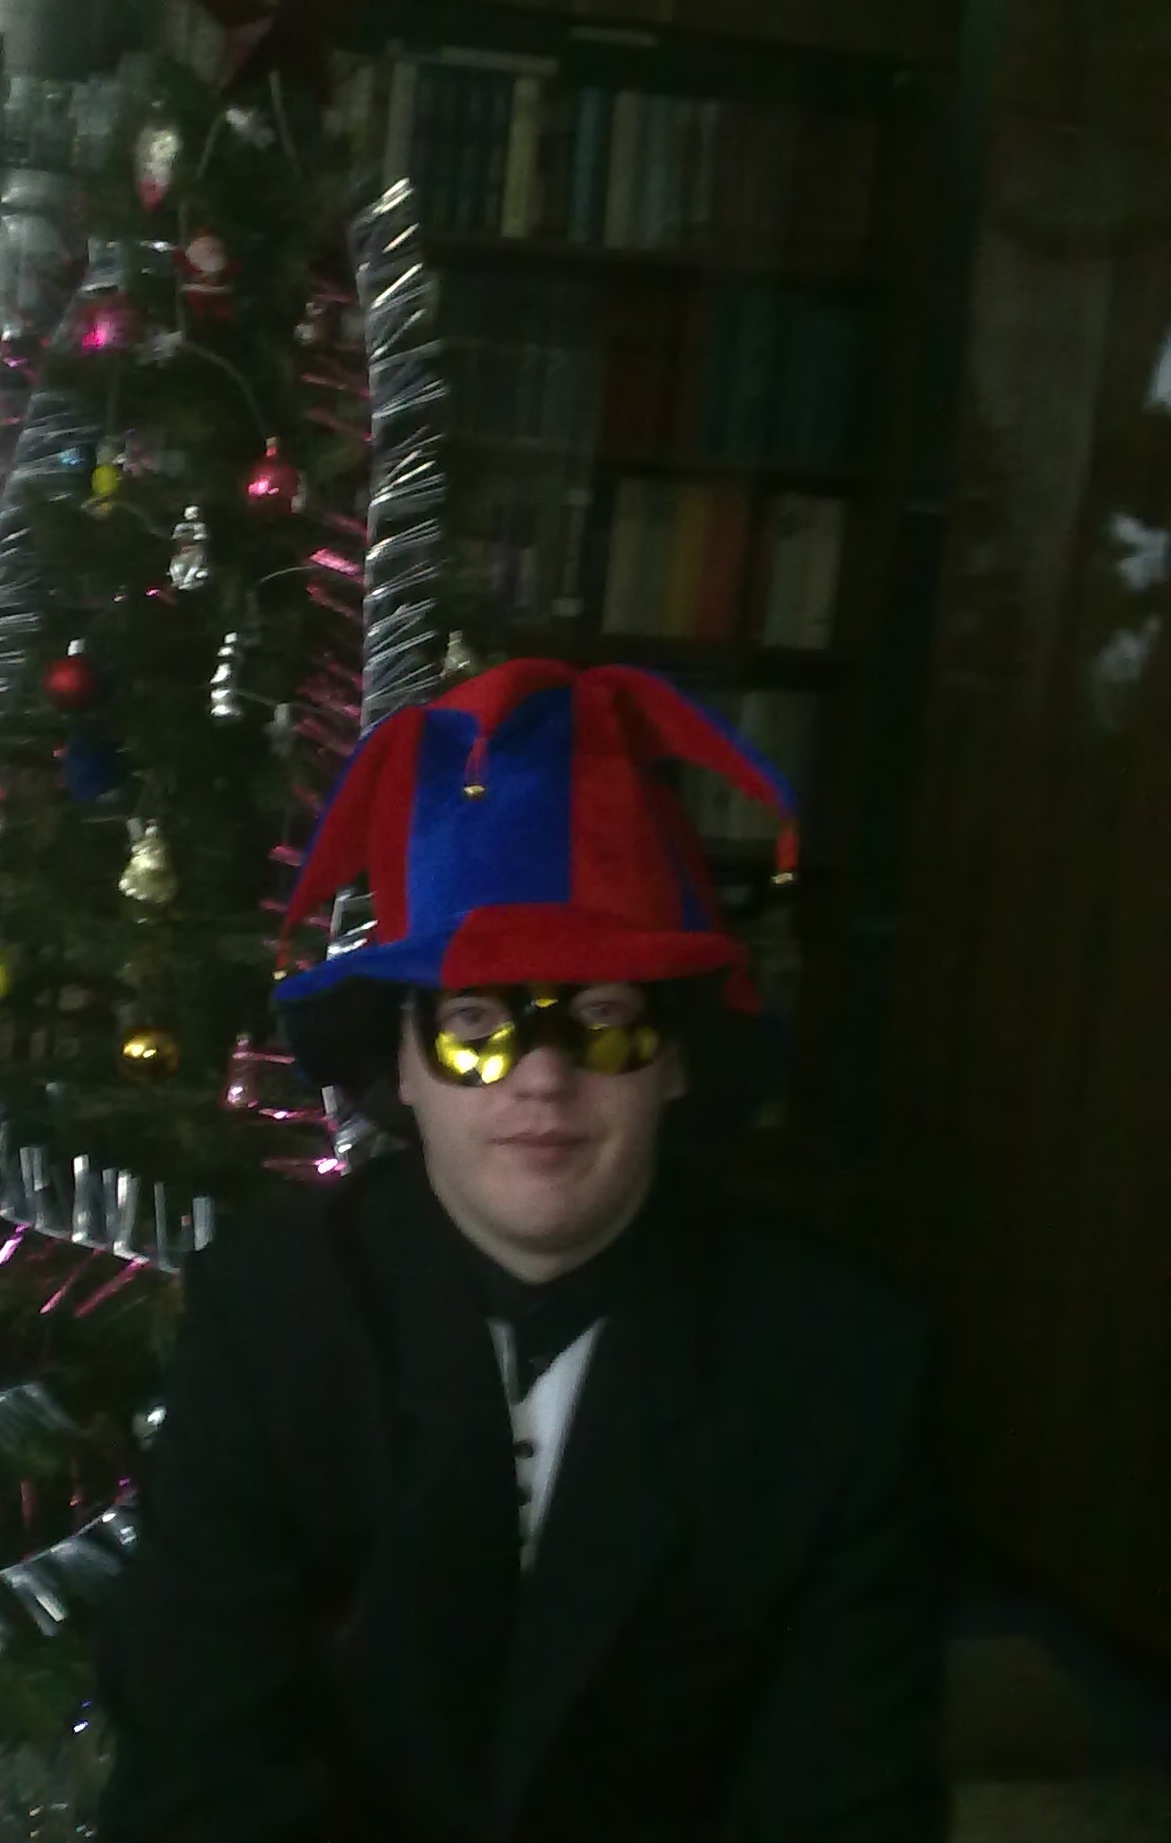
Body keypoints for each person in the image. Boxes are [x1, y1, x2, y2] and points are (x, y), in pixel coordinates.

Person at [97, 659, 951, 1843]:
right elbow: (202, 1757)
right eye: (475, 1025)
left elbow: (846, 1796)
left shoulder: (838, 1367)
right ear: (402, 1066)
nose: (543, 1076)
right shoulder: (267, 1315)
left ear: (675, 1061)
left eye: (602, 1018)